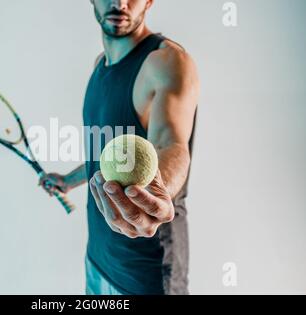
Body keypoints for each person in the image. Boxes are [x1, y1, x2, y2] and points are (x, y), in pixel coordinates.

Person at [39, 0, 199, 295]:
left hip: (146, 273)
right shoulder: (99, 65)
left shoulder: (166, 62)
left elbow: (171, 142)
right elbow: (106, 153)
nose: (119, 2)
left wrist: (155, 195)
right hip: (99, 258)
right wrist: (68, 181)